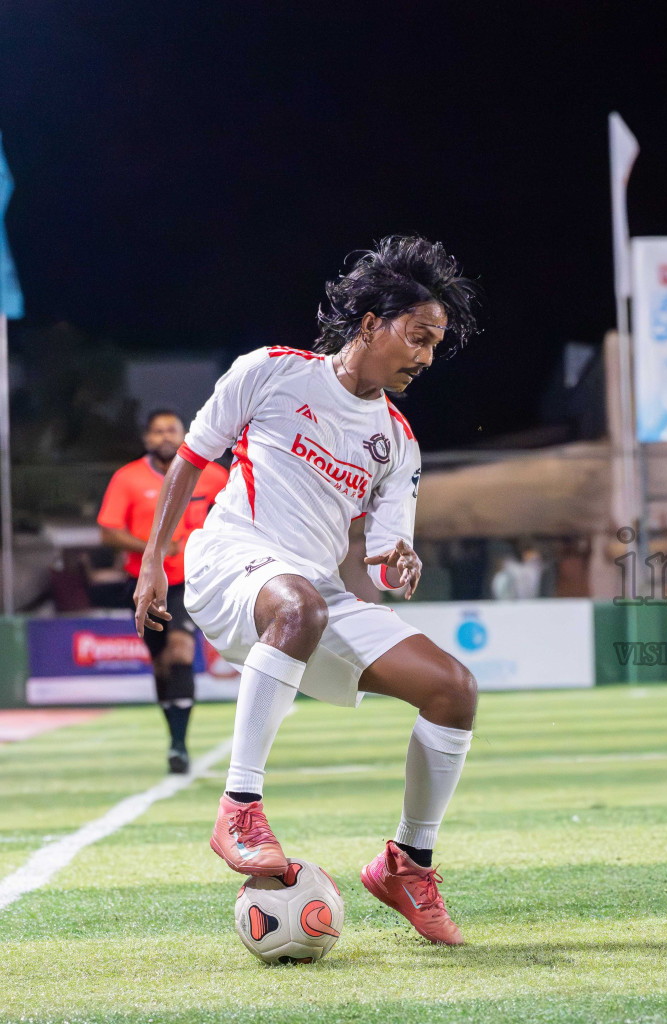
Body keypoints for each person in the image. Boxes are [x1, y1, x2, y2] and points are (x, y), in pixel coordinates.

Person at [134, 236, 480, 945]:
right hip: (231, 562)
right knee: (301, 604)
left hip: (311, 595)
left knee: (454, 688)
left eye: (435, 346)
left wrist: (398, 566)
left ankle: (407, 865)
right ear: (369, 324)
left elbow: (383, 560)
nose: (423, 356)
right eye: (416, 337)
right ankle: (239, 806)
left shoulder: (397, 441)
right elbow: (191, 462)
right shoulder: (271, 373)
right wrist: (151, 564)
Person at [98, 409, 228, 773]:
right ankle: (174, 737)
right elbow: (107, 531)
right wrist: (152, 548)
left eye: (172, 430)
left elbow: (239, 517)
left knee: (181, 649)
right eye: (157, 432)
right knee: (160, 662)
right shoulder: (128, 478)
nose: (165, 437)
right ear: (147, 439)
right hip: (143, 582)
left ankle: (178, 747)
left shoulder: (214, 476)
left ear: (185, 433)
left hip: (192, 580)